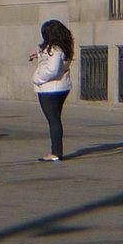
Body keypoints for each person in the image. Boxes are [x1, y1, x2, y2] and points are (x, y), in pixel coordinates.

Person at [30, 19, 73, 161]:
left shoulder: (55, 49)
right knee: (55, 119)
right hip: (61, 87)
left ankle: (55, 152)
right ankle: (56, 151)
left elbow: (52, 70)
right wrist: (38, 54)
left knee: (53, 120)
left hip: (49, 89)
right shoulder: (63, 47)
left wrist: (37, 78)